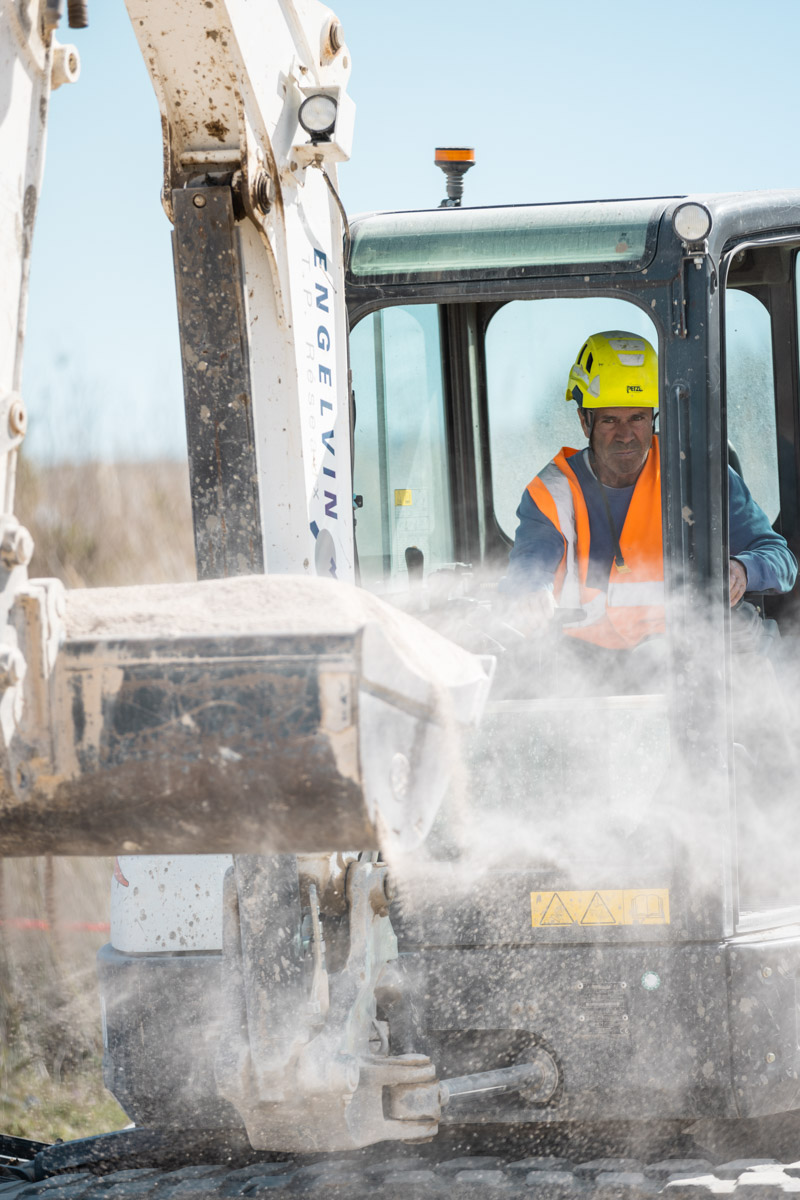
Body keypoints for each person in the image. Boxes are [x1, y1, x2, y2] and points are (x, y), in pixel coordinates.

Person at [504, 330, 797, 651]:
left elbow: (780, 558)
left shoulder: (700, 476)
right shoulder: (553, 493)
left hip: (696, 656)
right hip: (593, 666)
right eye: (610, 420)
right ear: (585, 421)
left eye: (638, 418)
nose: (625, 434)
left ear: (655, 418)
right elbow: (529, 567)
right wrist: (532, 592)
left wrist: (743, 569)